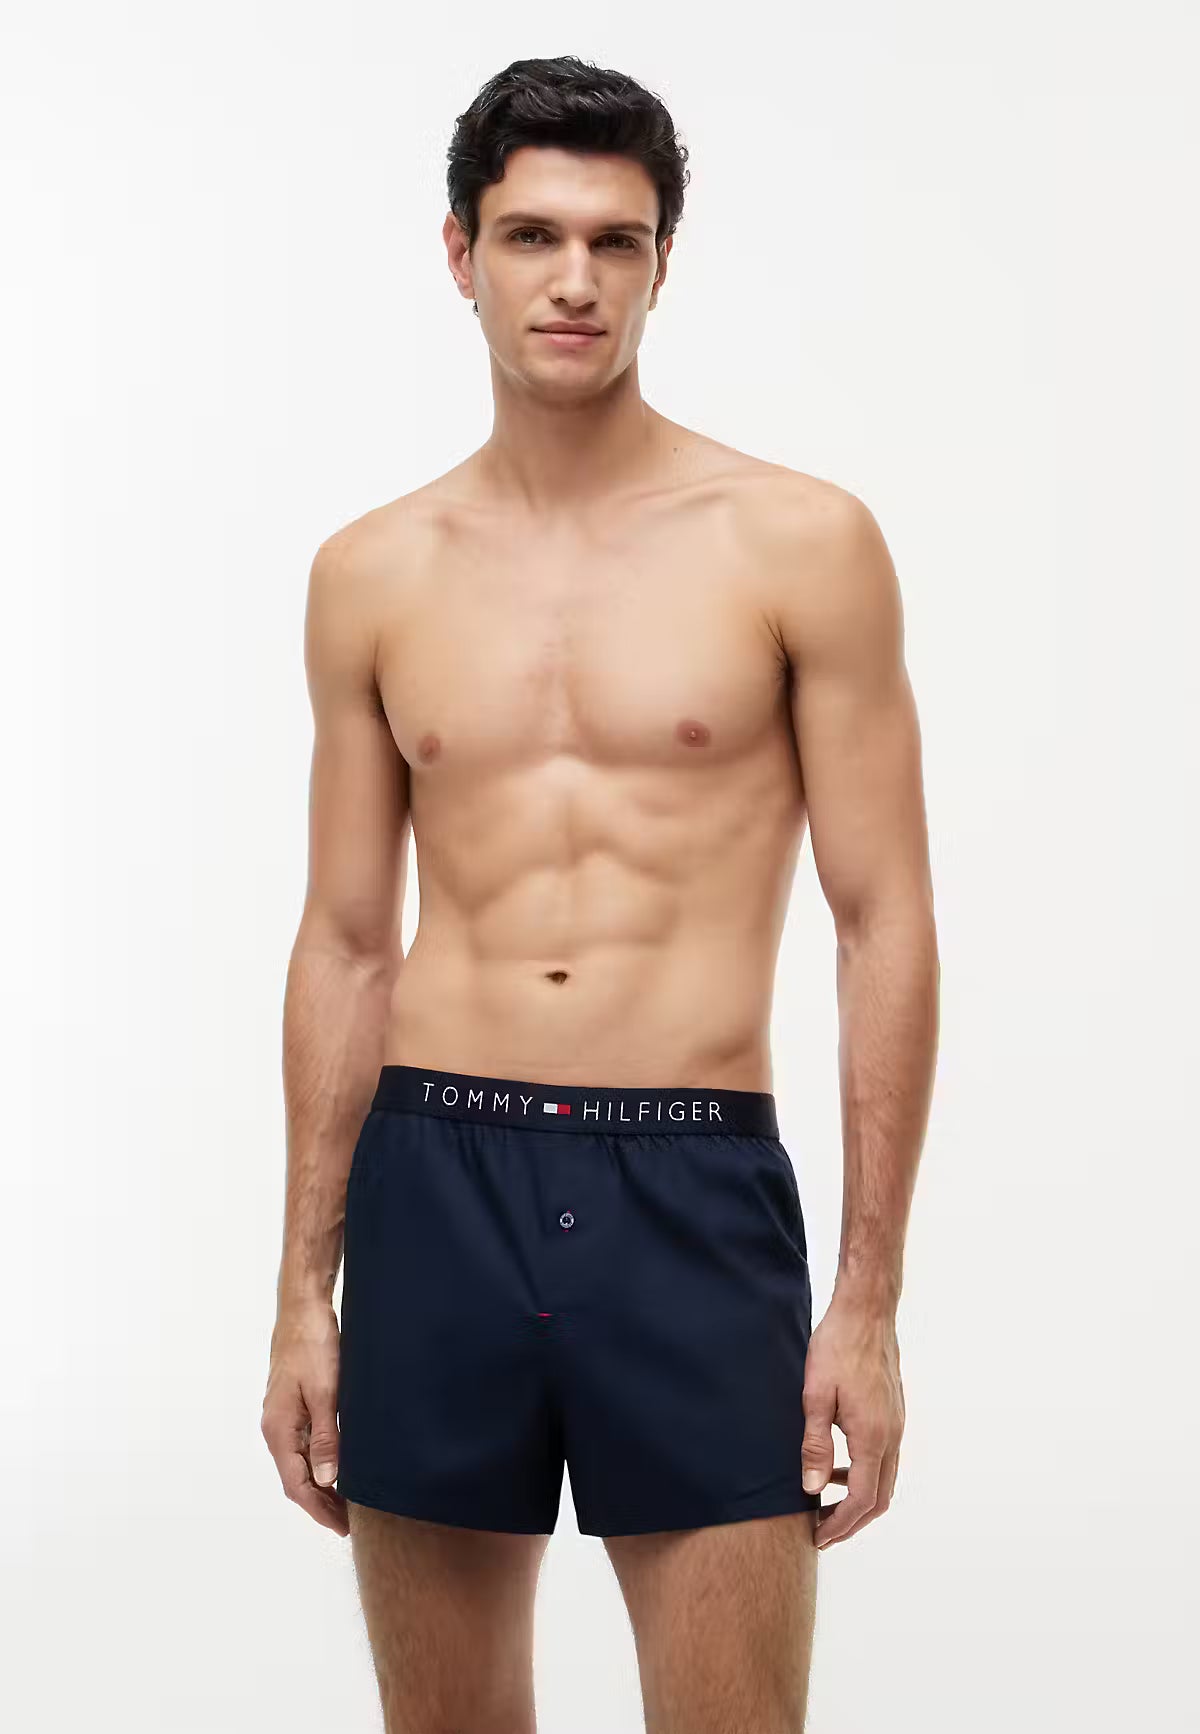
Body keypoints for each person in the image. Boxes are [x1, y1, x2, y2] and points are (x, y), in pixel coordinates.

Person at [261, 51, 940, 1733]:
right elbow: (345, 939)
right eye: (532, 236)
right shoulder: (372, 572)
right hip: (436, 1175)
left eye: (614, 241)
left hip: (691, 1186)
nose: (574, 279)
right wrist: (299, 1293)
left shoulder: (799, 543)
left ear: (660, 263)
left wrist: (868, 1297)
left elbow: (883, 922)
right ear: (460, 253)